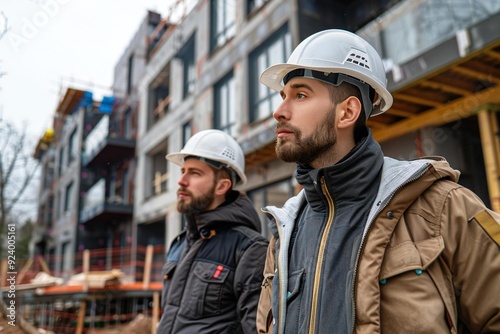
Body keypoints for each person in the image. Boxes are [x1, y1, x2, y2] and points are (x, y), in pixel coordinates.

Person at [256, 29, 500, 334]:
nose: (279, 112)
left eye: (300, 95)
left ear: (347, 112)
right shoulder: (284, 231)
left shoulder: (444, 208)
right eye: (282, 97)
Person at [157, 129, 269, 334]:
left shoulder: (250, 249)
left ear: (222, 186)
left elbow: (256, 328)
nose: (182, 181)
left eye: (195, 173)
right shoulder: (179, 244)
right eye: (183, 171)